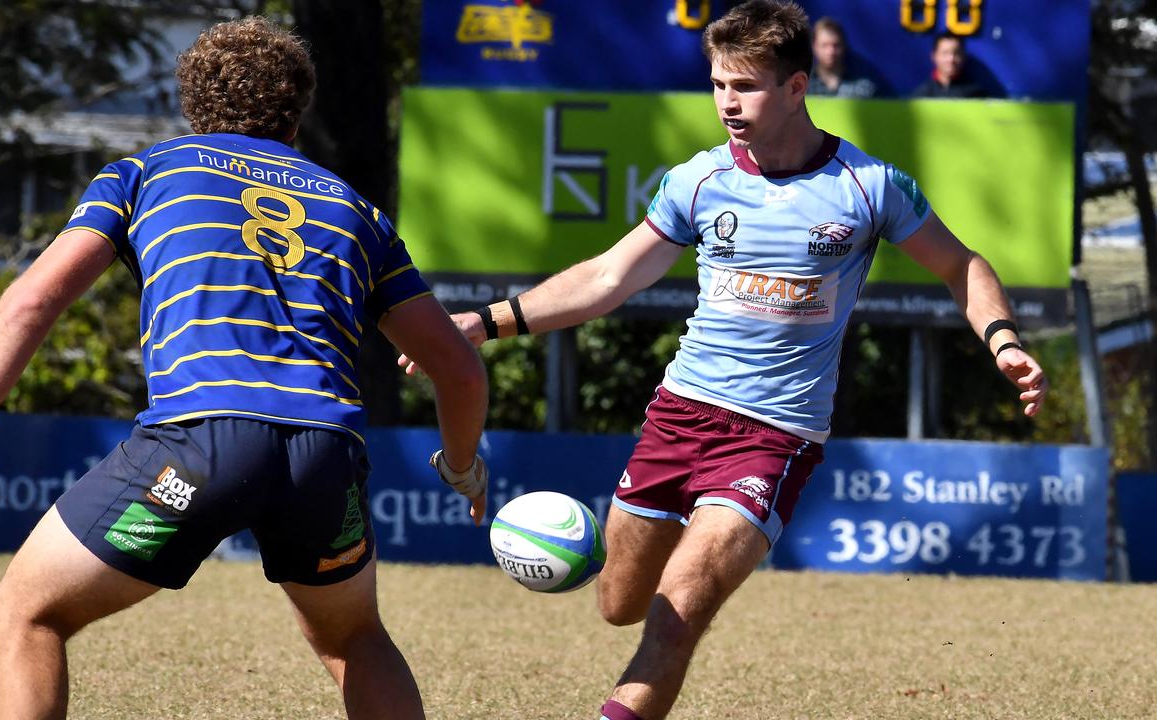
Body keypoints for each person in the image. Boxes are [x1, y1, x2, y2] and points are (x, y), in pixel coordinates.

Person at [403, 1, 1046, 718]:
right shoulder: (700, 181)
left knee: (676, 613)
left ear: (798, 87)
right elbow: (608, 279)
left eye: (745, 86)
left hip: (775, 438)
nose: (726, 103)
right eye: (717, 85)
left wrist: (1005, 341)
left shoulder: (869, 187)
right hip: (679, 416)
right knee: (619, 602)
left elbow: (963, 266)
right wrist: (481, 324)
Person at [0, 17, 488, 720]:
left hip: (199, 446)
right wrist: (462, 466)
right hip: (324, 456)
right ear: (297, 107)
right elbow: (459, 370)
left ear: (193, 100)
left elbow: (30, 305)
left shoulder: (147, 172)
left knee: (23, 613)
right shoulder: (356, 210)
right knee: (353, 636)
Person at [807, 17, 877, 98]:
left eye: (836, 45)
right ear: (814, 47)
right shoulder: (802, 88)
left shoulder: (864, 89)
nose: (831, 52)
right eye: (824, 45)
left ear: (844, 46)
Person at [911, 31, 988, 98]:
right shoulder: (921, 95)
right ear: (934, 56)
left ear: (963, 56)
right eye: (945, 53)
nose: (951, 59)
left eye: (957, 53)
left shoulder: (975, 95)